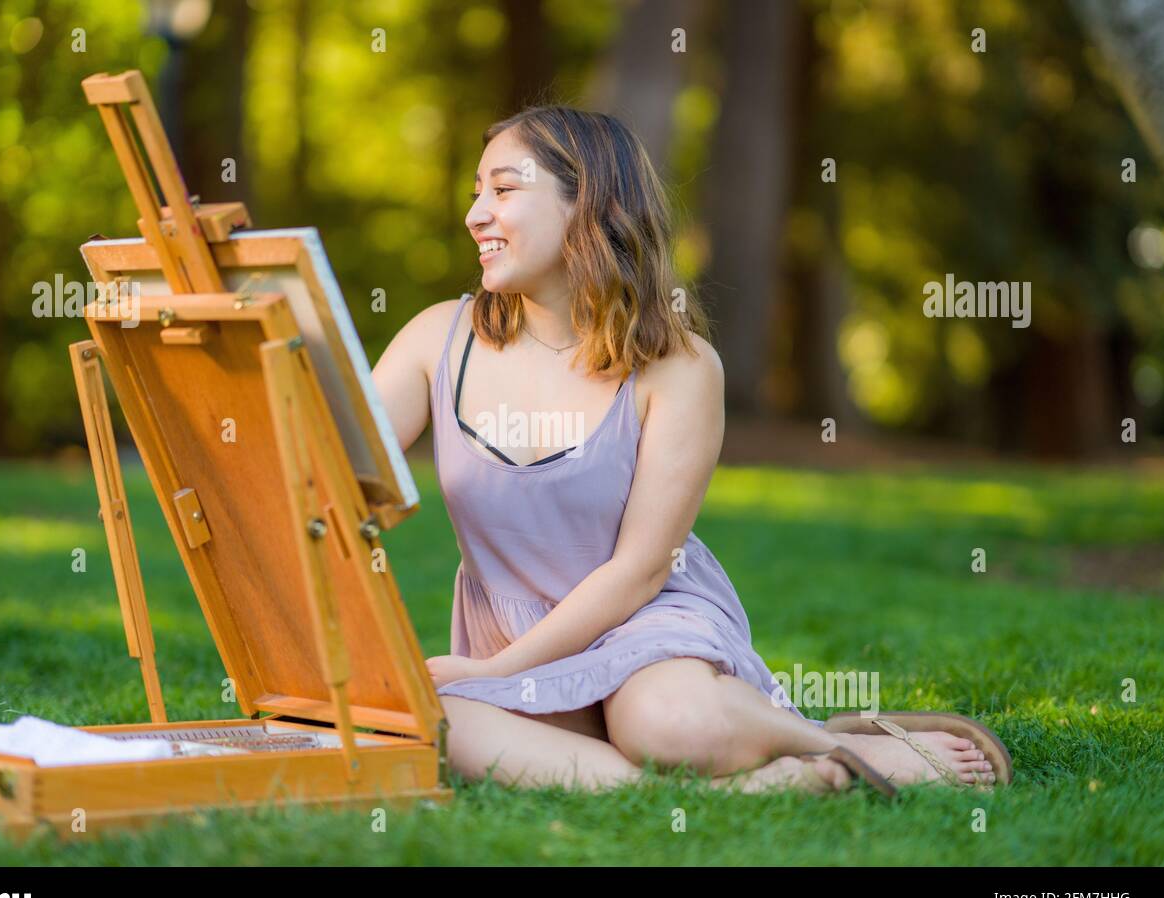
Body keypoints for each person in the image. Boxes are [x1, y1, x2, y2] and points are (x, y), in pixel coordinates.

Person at [371, 104, 1001, 796]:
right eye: (475, 193)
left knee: (666, 727)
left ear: (587, 201)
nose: (476, 215)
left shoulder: (680, 365)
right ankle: (763, 784)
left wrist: (495, 675)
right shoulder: (439, 340)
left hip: (644, 626)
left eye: (503, 189)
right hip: (510, 645)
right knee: (433, 718)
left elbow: (640, 570)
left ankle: (843, 746)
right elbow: (335, 470)